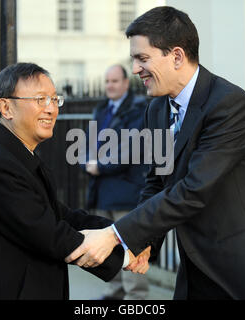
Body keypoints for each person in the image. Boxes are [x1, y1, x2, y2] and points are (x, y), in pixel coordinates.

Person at [65, 6, 245, 300]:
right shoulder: (156, 109)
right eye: (133, 58)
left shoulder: (229, 105)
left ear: (177, 56)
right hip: (195, 268)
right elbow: (156, 183)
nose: (134, 69)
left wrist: (115, 234)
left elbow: (194, 190)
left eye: (142, 58)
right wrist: (144, 242)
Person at [0, 63, 148, 300]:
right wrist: (125, 255)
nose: (51, 109)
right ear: (6, 107)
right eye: (40, 99)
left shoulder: (15, 154)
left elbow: (60, 214)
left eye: (54, 99)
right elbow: (47, 232)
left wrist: (124, 236)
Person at [82, 64, 150, 300]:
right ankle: (114, 291)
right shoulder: (101, 110)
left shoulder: (139, 109)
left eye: (115, 81)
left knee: (131, 247)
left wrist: (100, 166)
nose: (110, 85)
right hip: (102, 192)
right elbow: (89, 144)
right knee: (109, 248)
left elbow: (131, 148)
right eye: (107, 81)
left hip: (127, 191)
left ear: (125, 83)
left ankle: (135, 297)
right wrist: (87, 161)